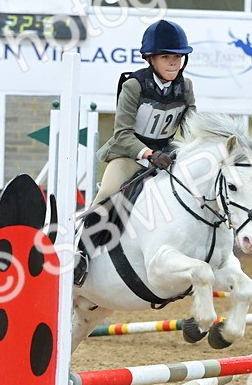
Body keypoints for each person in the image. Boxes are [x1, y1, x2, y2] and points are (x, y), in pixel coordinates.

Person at [74, 19, 196, 284]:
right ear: (151, 59)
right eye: (166, 57)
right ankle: (79, 255)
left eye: (178, 57)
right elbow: (122, 134)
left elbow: (191, 125)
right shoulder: (133, 85)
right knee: (106, 196)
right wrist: (149, 154)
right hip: (130, 153)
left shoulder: (185, 87)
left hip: (166, 153)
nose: (174, 63)